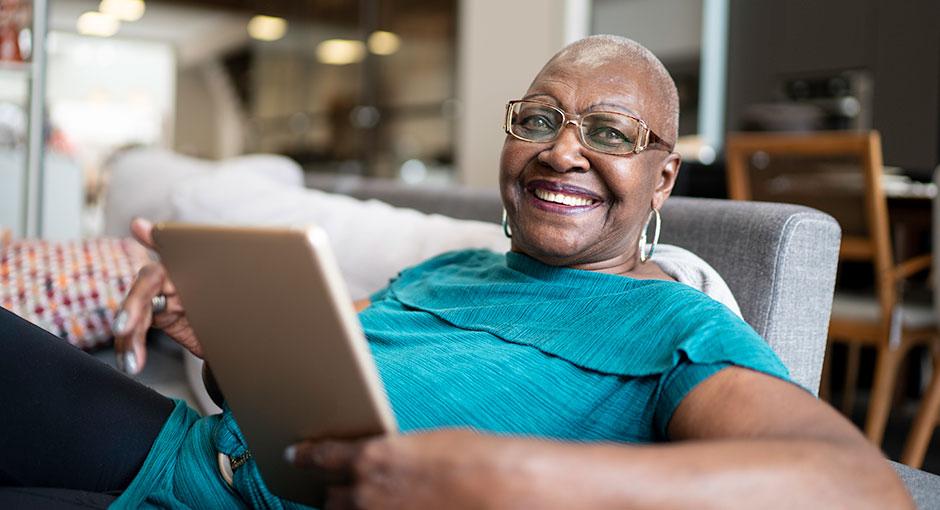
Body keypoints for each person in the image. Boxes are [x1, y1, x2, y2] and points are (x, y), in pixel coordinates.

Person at [0, 35, 911, 509]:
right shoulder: (455, 271)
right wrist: (226, 340)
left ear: (662, 175)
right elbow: (320, 394)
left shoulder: (680, 329)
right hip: (180, 451)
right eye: (539, 120)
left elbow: (864, 491)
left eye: (609, 134)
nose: (563, 153)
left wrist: (522, 482)